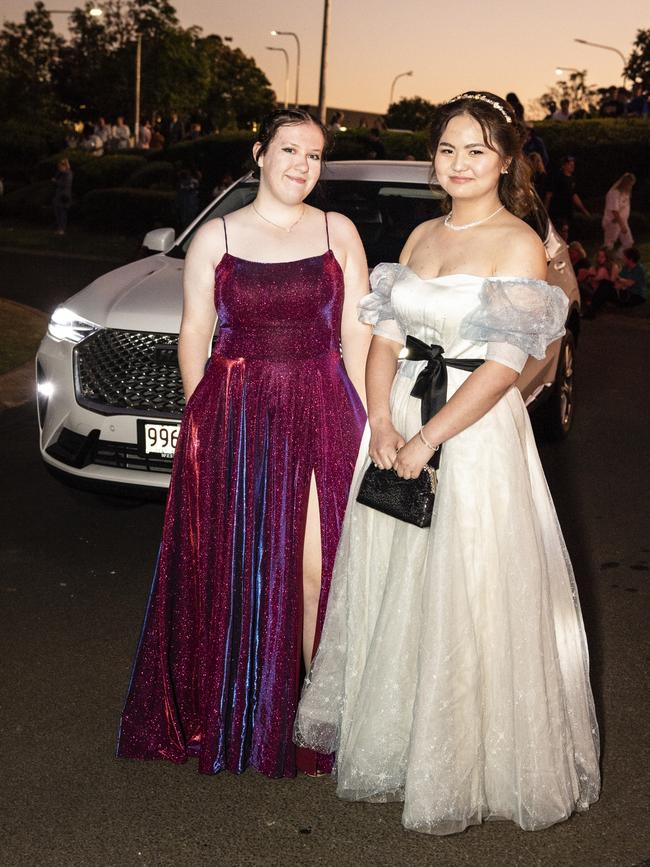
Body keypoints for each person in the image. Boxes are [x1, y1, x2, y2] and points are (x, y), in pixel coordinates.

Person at [295, 91, 600, 835]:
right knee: (399, 581)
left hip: (471, 432)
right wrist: (380, 422)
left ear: (504, 159)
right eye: (446, 149)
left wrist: (431, 437)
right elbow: (385, 341)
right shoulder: (421, 234)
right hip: (399, 416)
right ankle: (399, 742)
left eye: (475, 150)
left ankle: (465, 757)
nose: (458, 163)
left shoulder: (519, 242)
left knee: (468, 586)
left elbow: (504, 366)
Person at [117, 108, 371, 779]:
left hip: (322, 407)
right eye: (289, 149)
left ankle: (320, 716)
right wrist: (203, 416)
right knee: (249, 566)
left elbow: (360, 332)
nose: (301, 165)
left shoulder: (337, 231)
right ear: (260, 153)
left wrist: (370, 419)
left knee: (321, 565)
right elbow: (193, 332)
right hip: (238, 414)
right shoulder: (219, 235)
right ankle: (256, 713)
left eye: (314, 156)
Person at [544, 155, 590, 240]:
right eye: (569, 164)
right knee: (562, 231)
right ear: (564, 165)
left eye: (573, 164)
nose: (572, 166)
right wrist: (545, 210)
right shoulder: (557, 178)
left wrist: (583, 210)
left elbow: (573, 195)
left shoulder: (571, 179)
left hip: (568, 210)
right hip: (558, 210)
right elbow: (549, 194)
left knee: (566, 231)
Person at [584, 246, 621, 316]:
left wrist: (604, 276)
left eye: (602, 257)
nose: (600, 259)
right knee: (602, 285)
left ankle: (591, 309)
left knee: (606, 284)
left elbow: (612, 282)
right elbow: (592, 281)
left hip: (612, 292)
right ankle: (592, 309)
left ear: (607, 258)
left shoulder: (613, 266)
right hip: (599, 291)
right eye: (599, 256)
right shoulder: (596, 267)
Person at [602, 172, 635, 250]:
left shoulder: (625, 193)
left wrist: (623, 223)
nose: (631, 187)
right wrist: (622, 224)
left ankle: (619, 258)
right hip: (614, 221)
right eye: (630, 184)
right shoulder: (614, 193)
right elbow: (614, 210)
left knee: (628, 243)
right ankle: (603, 259)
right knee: (609, 244)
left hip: (622, 221)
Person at [52, 158, 73, 236]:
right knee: (58, 212)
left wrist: (56, 182)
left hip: (64, 196)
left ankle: (62, 229)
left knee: (62, 213)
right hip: (59, 195)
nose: (59, 168)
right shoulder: (61, 174)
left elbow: (65, 184)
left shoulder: (68, 174)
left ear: (64, 166)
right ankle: (59, 228)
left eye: (60, 167)